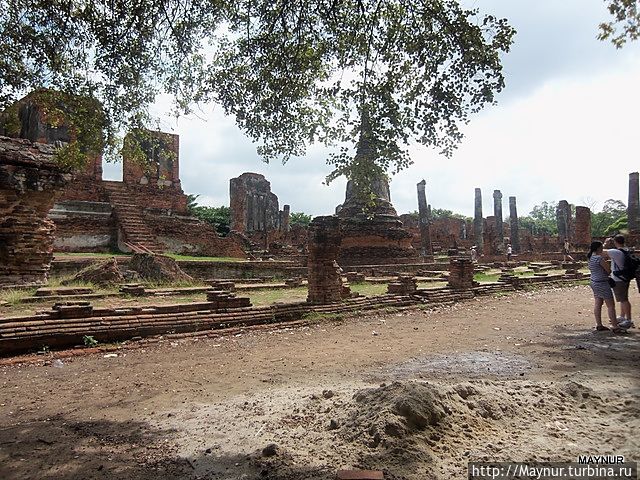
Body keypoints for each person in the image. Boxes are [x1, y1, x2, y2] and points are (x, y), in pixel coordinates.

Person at [587, 241, 625, 333]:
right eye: (601, 248)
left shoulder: (590, 257)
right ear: (598, 249)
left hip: (594, 281)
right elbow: (608, 270)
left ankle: (599, 324)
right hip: (602, 282)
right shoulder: (599, 258)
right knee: (611, 305)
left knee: (598, 303)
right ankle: (615, 326)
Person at [604, 235, 634, 329]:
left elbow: (599, 251)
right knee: (623, 298)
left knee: (623, 299)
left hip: (619, 279)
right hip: (624, 277)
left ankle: (628, 320)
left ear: (615, 242)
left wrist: (605, 243)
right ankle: (622, 316)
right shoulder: (626, 250)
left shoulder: (615, 252)